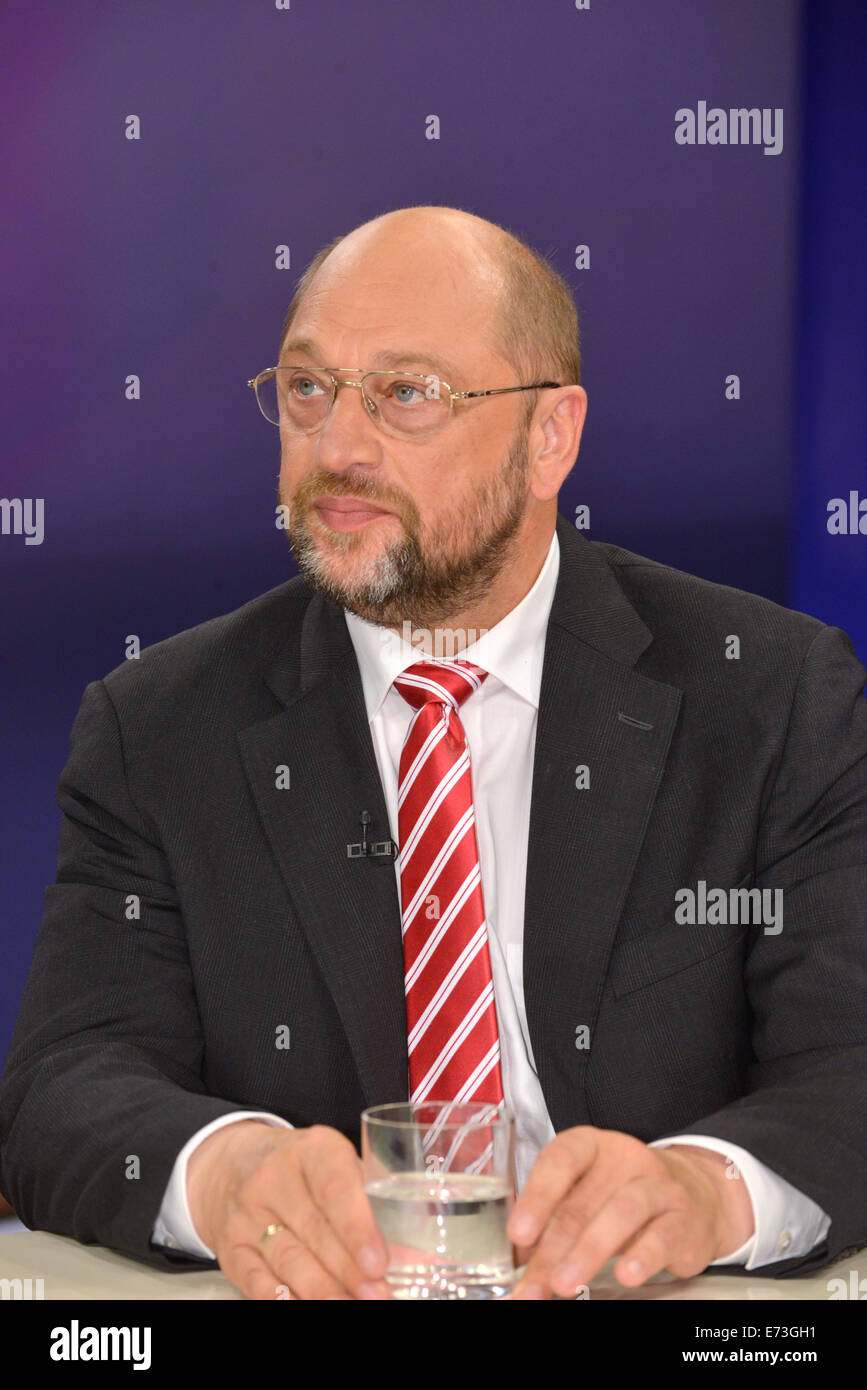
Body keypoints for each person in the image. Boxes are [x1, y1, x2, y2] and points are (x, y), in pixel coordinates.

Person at [1, 205, 865, 1301]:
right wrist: (228, 1174)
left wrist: (704, 1190)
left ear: (552, 435)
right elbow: (65, 1082)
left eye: (407, 394)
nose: (338, 449)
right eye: (308, 390)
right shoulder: (158, 725)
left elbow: (853, 1062)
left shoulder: (772, 694)